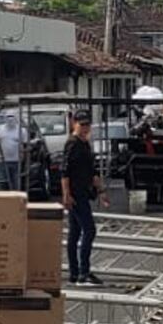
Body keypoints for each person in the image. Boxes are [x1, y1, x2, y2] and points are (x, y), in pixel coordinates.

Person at [61, 110, 107, 285]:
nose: (85, 128)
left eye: (87, 125)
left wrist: (101, 191)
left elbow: (92, 171)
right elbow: (65, 171)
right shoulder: (72, 144)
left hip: (83, 191)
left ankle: (75, 272)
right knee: (89, 230)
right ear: (74, 124)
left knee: (75, 232)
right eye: (82, 125)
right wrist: (66, 194)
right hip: (75, 193)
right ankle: (83, 272)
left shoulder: (85, 143)